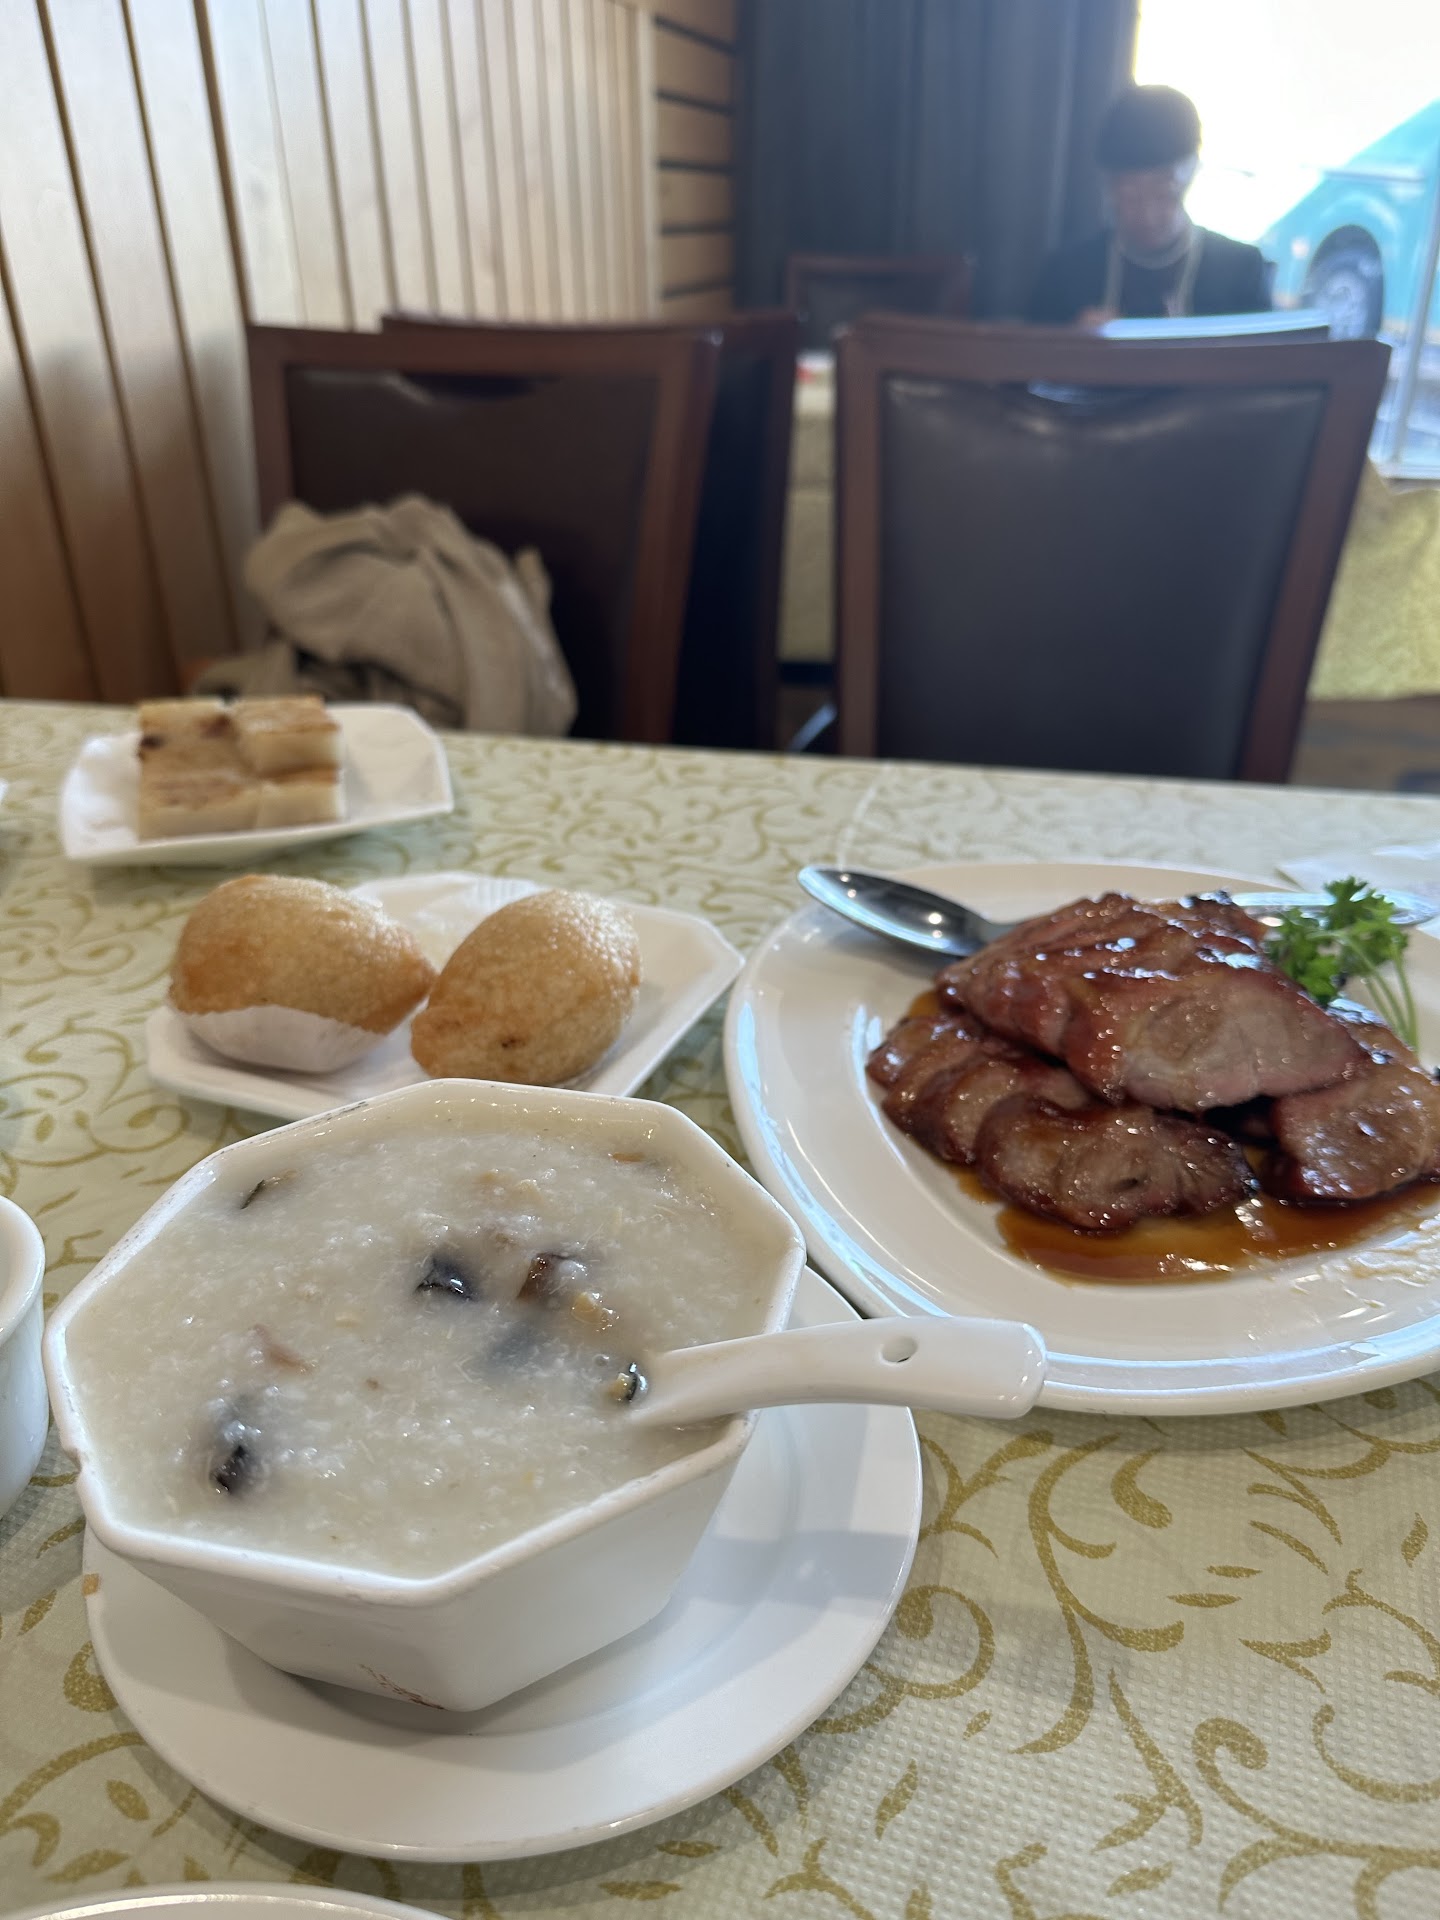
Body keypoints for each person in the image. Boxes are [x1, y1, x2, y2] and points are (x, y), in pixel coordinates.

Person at [1029, 85, 1271, 326]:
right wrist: (1074, 340)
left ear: (1192, 171)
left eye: (1164, 194)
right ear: (1109, 186)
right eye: (1130, 197)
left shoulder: (1241, 271)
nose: (1148, 216)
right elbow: (1030, 347)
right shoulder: (1066, 274)